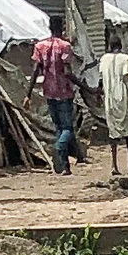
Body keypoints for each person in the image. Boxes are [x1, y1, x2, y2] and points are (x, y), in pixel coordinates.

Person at [33, 15, 81, 175]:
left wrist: (27, 93)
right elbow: (67, 72)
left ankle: (64, 166)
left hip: (48, 91)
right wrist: (85, 87)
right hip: (64, 92)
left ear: (49, 27)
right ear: (62, 28)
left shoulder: (40, 46)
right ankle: (58, 148)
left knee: (59, 128)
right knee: (67, 128)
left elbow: (35, 71)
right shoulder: (65, 46)